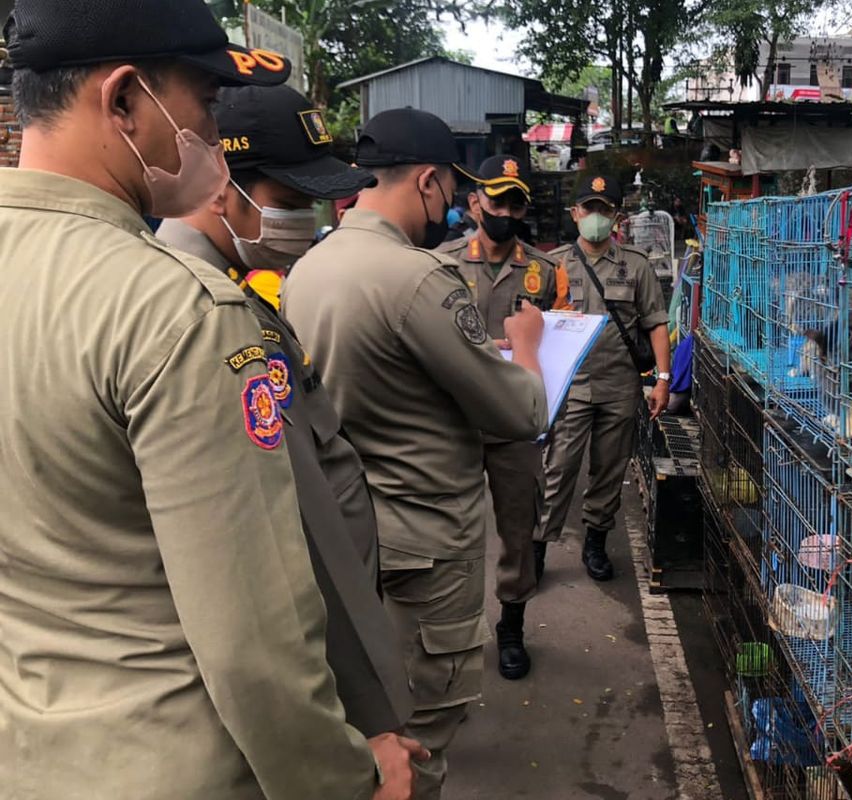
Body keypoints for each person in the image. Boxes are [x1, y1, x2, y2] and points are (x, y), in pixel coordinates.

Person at [0, 1, 418, 799]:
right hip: (175, 761)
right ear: (125, 99)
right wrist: (349, 777)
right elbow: (252, 643)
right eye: (206, 103)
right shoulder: (178, 312)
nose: (211, 135)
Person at [283, 108, 549, 800]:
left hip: (350, 533)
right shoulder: (417, 278)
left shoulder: (309, 266)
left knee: (370, 715)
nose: (452, 207)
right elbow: (521, 412)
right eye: (451, 190)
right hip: (425, 540)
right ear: (429, 182)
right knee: (420, 735)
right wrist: (526, 347)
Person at [155, 83, 414, 743]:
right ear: (220, 186)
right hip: (313, 663)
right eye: (292, 201)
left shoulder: (228, 292)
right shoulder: (208, 319)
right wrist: (367, 717)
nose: (308, 220)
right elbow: (297, 530)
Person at [438, 156, 567, 681]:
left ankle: (511, 625)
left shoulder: (545, 271)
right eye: (498, 201)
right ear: (475, 203)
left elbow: (557, 346)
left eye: (516, 204)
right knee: (450, 532)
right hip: (456, 422)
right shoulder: (440, 265)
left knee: (518, 530)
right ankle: (450, 631)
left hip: (515, 424)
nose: (506, 213)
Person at [537, 175, 671, 582]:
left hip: (619, 387)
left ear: (616, 217)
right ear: (575, 213)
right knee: (558, 469)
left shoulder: (636, 265)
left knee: (609, 470)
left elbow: (656, 323)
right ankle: (536, 546)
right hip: (570, 387)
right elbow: (532, 324)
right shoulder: (554, 264)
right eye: (588, 208)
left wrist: (663, 379)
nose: (595, 216)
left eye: (604, 209)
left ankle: (595, 542)